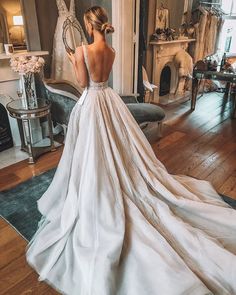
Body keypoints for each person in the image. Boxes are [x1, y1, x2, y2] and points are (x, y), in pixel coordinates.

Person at [26, 6, 236, 295]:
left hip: (91, 104)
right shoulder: (110, 52)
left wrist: (76, 59)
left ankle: (97, 186)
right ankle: (117, 178)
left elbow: (84, 84)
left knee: (91, 151)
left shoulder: (84, 49)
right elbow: (101, 81)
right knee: (115, 148)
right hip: (108, 101)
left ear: (89, 26)